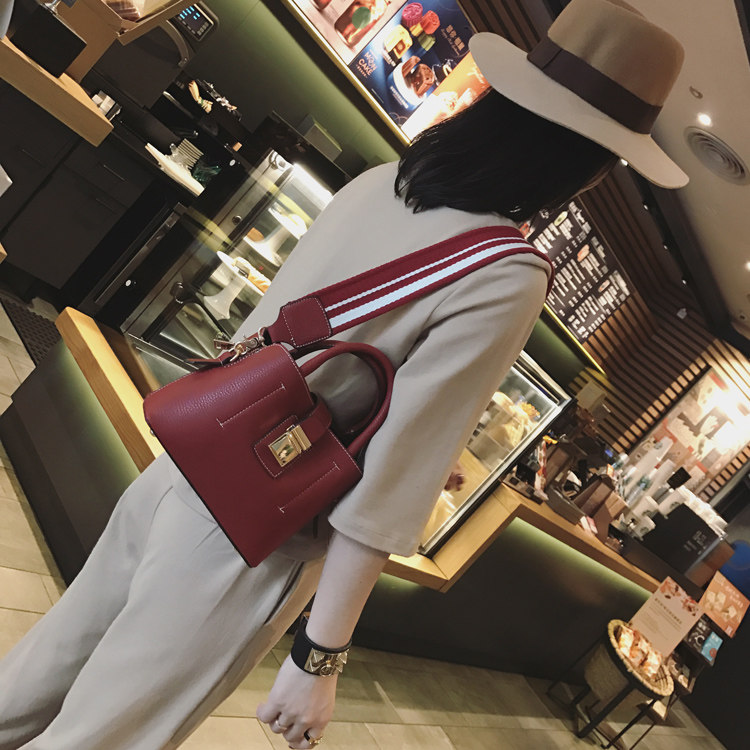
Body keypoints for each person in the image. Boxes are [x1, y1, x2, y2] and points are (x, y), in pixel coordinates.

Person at [0, 1, 688, 748]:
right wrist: (319, 654)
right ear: (586, 163)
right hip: (256, 533)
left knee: (30, 682)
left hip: (181, 471)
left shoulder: (388, 180)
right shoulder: (506, 272)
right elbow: (397, 471)